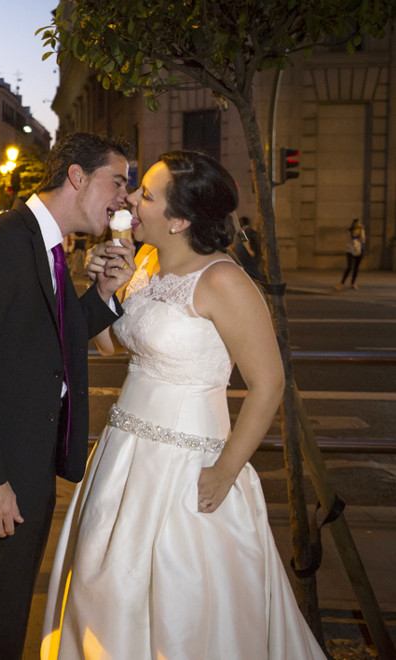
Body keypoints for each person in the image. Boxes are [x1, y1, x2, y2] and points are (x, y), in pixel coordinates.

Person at [41, 151, 326, 658]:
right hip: (123, 453)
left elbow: (269, 384)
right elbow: (109, 344)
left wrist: (223, 472)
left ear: (179, 220)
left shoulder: (224, 282)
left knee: (185, 604)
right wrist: (102, 285)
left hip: (187, 467)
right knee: (105, 590)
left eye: (146, 195)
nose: (129, 199)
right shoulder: (144, 263)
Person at [0, 132, 136, 659]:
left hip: (32, 452)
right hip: (5, 461)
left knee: (12, 596)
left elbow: (54, 341)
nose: (124, 198)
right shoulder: (0, 241)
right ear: (77, 177)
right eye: (118, 181)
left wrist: (104, 296)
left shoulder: (50, 247)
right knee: (0, 604)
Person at [336, 217, 366, 290]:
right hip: (351, 250)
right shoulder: (350, 231)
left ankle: (353, 283)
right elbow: (349, 240)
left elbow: (363, 240)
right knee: (349, 267)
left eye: (359, 223)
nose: (358, 224)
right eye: (357, 223)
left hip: (359, 250)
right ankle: (341, 283)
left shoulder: (361, 230)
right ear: (354, 224)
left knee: (356, 267)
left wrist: (362, 230)